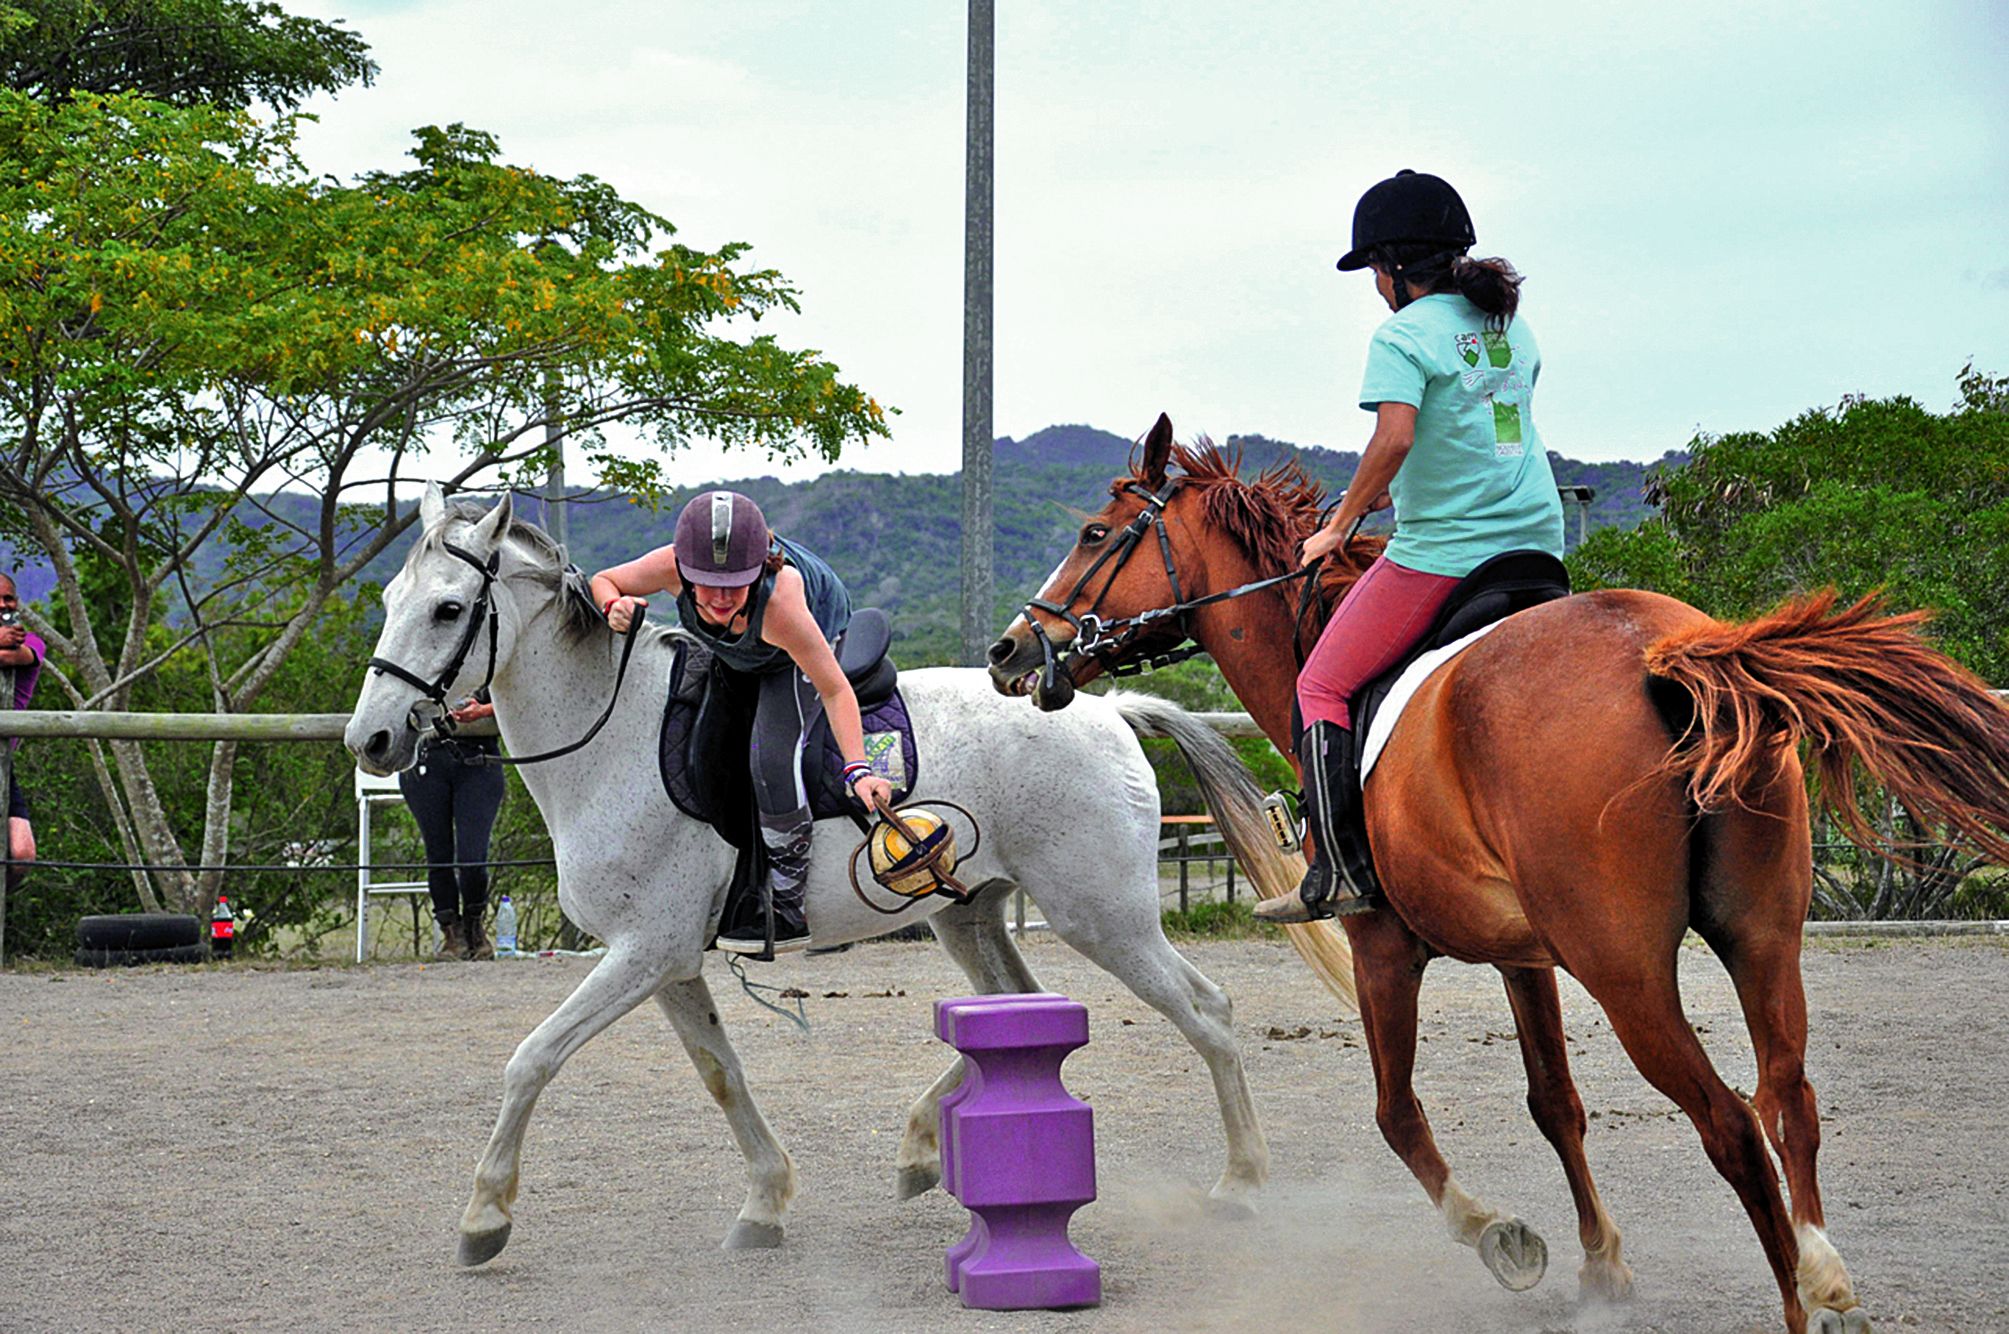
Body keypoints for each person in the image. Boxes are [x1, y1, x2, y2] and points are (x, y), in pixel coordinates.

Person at [1257, 169, 1564, 925]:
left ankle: (1337, 870)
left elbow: (1393, 437)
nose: (1373, 287)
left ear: (1392, 268)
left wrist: (1338, 526)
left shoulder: (1399, 334)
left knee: (1319, 688)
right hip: (1539, 546)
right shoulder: (1508, 326)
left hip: (1446, 553)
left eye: (1371, 272)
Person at [589, 491, 895, 952]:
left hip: (796, 650)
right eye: (707, 584)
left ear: (759, 570)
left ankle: (787, 907)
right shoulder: (669, 565)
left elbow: (834, 689)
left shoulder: (782, 606)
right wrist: (613, 606)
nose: (719, 598)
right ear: (683, 571)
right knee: (706, 753)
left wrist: (859, 768)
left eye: (735, 584)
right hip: (737, 655)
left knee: (771, 760)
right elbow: (605, 579)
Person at [398, 690, 506, 960]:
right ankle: (451, 932)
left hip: (479, 758)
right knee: (438, 853)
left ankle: (474, 924)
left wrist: (484, 711)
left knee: (473, 856)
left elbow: (518, 692)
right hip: (427, 756)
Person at [0, 572, 44, 897]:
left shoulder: (32, 643)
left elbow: (11, 656)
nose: (3, 605)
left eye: (8, 598)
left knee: (21, 854)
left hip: (2, 762)